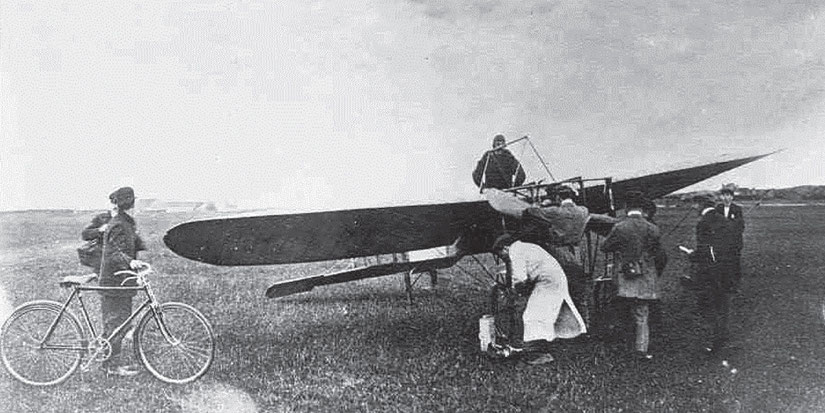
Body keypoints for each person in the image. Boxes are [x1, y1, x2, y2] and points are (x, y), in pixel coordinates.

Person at [492, 233, 587, 365]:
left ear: (505, 248)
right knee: (540, 314)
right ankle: (535, 347)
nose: (502, 257)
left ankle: (538, 353)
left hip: (548, 282)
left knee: (532, 317)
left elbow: (520, 278)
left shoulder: (515, 251)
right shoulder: (524, 247)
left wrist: (514, 294)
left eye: (501, 254)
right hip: (551, 279)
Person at [601, 194, 667, 360]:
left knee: (621, 309)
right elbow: (657, 252)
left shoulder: (620, 227)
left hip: (624, 276)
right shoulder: (653, 228)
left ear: (626, 208)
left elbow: (605, 247)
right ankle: (641, 349)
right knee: (642, 314)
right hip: (645, 275)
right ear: (643, 209)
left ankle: (622, 343)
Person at [99, 187, 147, 377]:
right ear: (130, 204)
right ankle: (111, 366)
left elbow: (132, 243)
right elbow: (114, 252)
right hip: (114, 281)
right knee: (115, 323)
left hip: (121, 281)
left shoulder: (125, 222)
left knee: (121, 322)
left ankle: (111, 362)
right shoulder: (119, 224)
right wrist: (131, 261)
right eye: (135, 203)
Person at [691, 193, 736, 358]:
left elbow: (705, 250)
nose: (693, 208)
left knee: (708, 306)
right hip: (726, 270)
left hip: (710, 272)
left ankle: (715, 343)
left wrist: (692, 255)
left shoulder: (703, 223)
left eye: (695, 204)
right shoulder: (723, 220)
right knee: (722, 305)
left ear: (701, 204)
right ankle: (721, 338)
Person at [715, 187, 745, 291]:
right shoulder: (717, 209)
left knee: (735, 263)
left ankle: (735, 285)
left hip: (734, 243)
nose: (726, 198)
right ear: (720, 197)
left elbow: (740, 226)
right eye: (723, 195)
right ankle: (724, 285)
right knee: (722, 263)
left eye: (728, 195)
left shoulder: (737, 209)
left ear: (732, 197)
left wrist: (730, 229)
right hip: (721, 242)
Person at [80, 208, 113, 274]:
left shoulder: (127, 219)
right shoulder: (102, 218)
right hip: (104, 256)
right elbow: (85, 234)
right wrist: (99, 230)